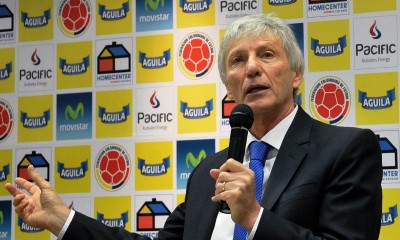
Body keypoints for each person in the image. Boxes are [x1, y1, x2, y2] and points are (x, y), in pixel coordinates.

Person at [5, 13, 382, 240]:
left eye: (267, 54)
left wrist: (253, 217)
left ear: (296, 74)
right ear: (228, 86)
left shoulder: (346, 149)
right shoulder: (208, 172)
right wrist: (62, 220)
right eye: (238, 61)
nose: (252, 68)